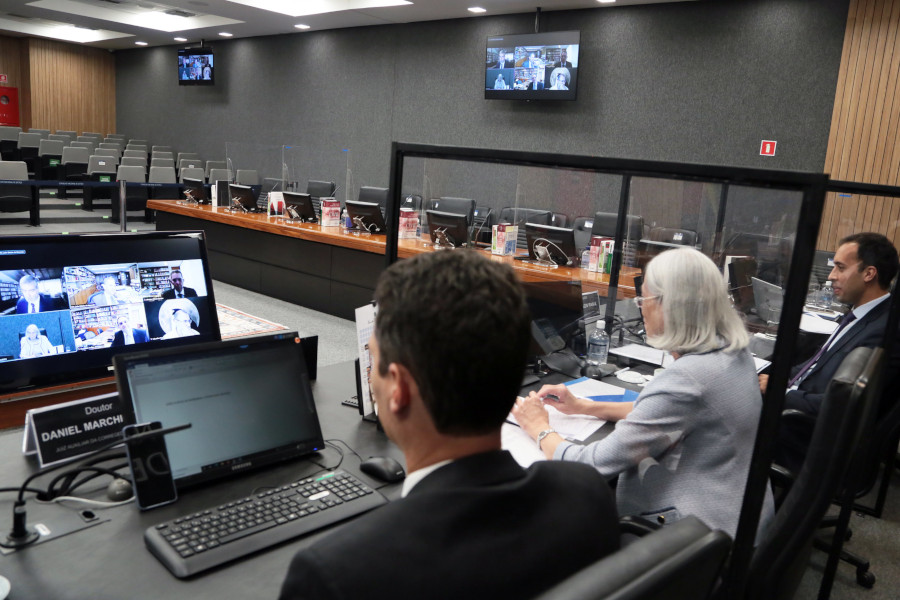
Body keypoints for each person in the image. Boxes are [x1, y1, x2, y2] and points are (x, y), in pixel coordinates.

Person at [279, 250, 619, 600]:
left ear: (398, 389)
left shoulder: (336, 575)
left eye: (372, 362)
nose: (370, 375)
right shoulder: (586, 493)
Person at [514, 247, 774, 538]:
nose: (639, 307)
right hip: (740, 516)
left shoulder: (687, 380)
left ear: (671, 305)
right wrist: (584, 406)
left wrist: (539, 428)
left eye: (644, 299)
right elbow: (664, 412)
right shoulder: (732, 351)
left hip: (695, 544)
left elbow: (590, 467)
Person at [761, 232, 900, 472]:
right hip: (800, 412)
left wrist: (779, 392)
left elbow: (842, 404)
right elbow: (815, 366)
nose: (831, 277)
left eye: (840, 268)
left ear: (869, 273)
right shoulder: (862, 315)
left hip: (809, 435)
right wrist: (770, 374)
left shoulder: (884, 332)